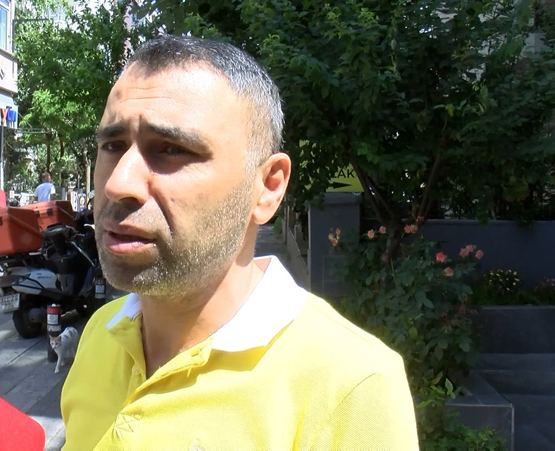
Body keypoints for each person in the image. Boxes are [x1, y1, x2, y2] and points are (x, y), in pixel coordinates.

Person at [60, 35, 419, 449]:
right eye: (113, 145)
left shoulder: (352, 387)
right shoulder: (100, 333)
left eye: (171, 149)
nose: (119, 183)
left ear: (267, 188)